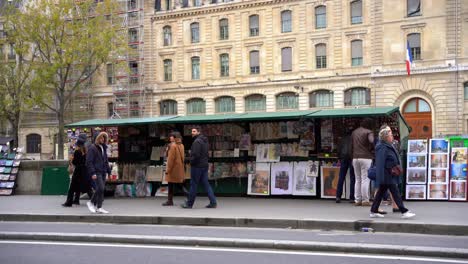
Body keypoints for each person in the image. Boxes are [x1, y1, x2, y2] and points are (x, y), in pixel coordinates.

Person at [370, 126, 415, 219]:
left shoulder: (387, 145)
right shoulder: (382, 147)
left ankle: (373, 211)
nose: (392, 137)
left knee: (380, 193)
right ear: (386, 137)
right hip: (386, 173)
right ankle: (404, 211)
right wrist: (380, 177)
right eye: (390, 135)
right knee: (395, 192)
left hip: (388, 173)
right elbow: (380, 162)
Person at [181, 126, 217, 209]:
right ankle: (213, 202)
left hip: (197, 166)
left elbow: (196, 155)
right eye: (192, 131)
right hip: (204, 165)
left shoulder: (197, 142)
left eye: (194, 131)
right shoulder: (205, 141)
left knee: (193, 184)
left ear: (198, 132)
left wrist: (190, 161)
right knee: (206, 184)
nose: (192, 133)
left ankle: (189, 204)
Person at [86, 132, 111, 214]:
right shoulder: (92, 148)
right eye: (101, 138)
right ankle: (91, 202)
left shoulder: (103, 147)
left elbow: (106, 160)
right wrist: (93, 173)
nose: (103, 139)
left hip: (103, 171)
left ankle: (99, 207)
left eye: (104, 138)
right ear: (97, 138)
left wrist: (108, 171)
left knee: (101, 190)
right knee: (100, 188)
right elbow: (89, 162)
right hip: (97, 171)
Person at [351, 118, 374, 206]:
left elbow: (351, 146)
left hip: (355, 157)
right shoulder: (369, 132)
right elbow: (372, 141)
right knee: (365, 179)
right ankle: (365, 200)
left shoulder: (354, 132)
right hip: (366, 157)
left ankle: (357, 200)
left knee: (358, 179)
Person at [62, 134, 89, 207]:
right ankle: (77, 200)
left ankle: (68, 202)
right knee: (80, 187)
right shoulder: (85, 151)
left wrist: (72, 160)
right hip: (83, 171)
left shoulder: (77, 152)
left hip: (77, 171)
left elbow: (75, 162)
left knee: (72, 188)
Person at [162, 132, 186, 206]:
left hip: (172, 169)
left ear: (175, 137)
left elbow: (170, 160)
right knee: (175, 184)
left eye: (171, 136)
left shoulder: (172, 146)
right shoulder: (181, 145)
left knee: (173, 185)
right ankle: (170, 200)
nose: (170, 137)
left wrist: (168, 170)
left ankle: (189, 196)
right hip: (179, 168)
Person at [336, 127, 355, 203]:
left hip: (343, 158)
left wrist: (339, 157)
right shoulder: (353, 139)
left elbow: (339, 149)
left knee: (341, 177)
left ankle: (338, 196)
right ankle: (352, 197)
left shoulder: (342, 139)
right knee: (352, 178)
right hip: (351, 158)